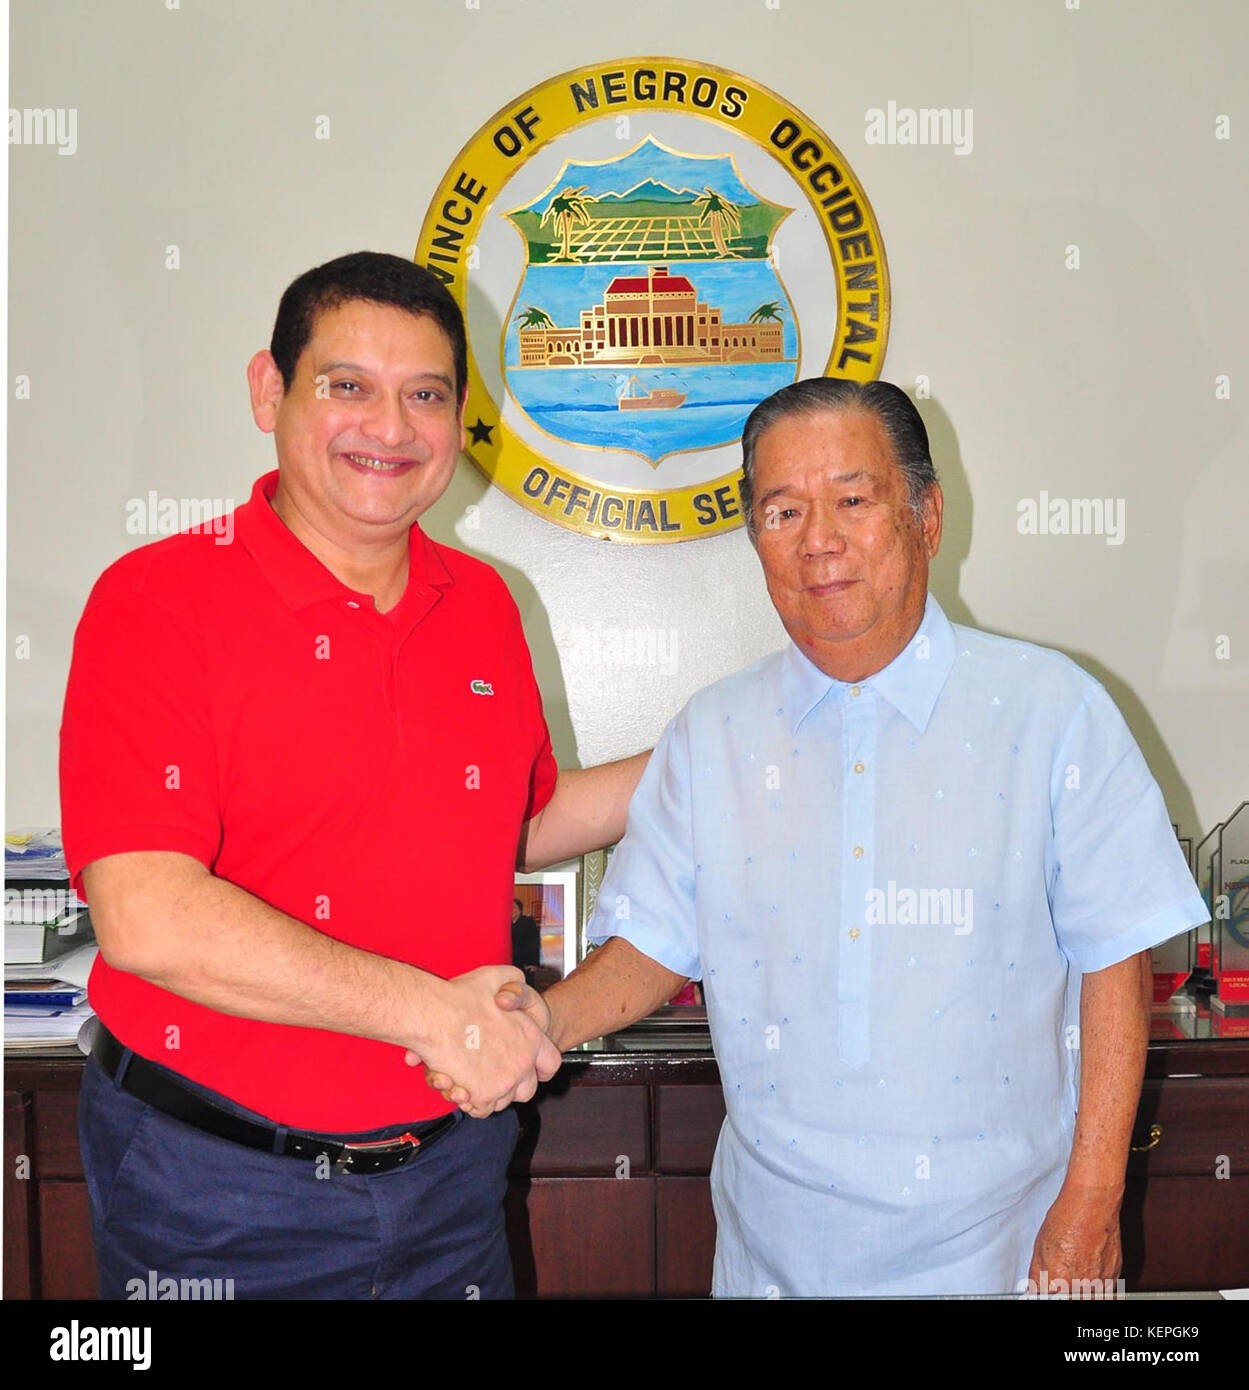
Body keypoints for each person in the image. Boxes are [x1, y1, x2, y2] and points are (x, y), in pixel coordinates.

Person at [429, 377, 1209, 1296]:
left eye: (852, 497)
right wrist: (539, 1024)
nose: (819, 539)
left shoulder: (1053, 711)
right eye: (782, 510)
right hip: (775, 1255)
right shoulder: (712, 731)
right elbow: (655, 945)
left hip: (1009, 1248)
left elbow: (1115, 961)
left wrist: (1090, 1204)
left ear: (925, 514)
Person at [60, 251, 646, 1300]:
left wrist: (736, 744)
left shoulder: (482, 603)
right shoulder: (159, 599)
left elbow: (514, 823)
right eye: (347, 387)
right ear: (267, 390)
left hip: (451, 1171)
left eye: (424, 395)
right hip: (220, 1191)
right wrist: (437, 1017)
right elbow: (147, 914)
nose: (389, 427)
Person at [511, 898, 541, 982]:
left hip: (526, 964)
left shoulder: (528, 922)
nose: (511, 910)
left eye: (514, 907)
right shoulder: (505, 924)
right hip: (511, 964)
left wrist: (534, 963)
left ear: (520, 910)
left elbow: (534, 943)